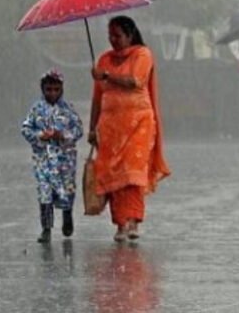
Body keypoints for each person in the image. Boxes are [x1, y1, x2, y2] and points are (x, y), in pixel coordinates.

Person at [89, 16, 171, 242]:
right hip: (110, 128)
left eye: (117, 35)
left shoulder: (142, 54)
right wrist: (92, 128)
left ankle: (133, 220)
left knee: (133, 173)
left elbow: (135, 81)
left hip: (139, 125)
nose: (113, 40)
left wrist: (106, 75)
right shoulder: (104, 60)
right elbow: (97, 98)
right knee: (114, 175)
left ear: (130, 35)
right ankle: (120, 224)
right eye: (110, 36)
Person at [21, 69, 83, 243]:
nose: (52, 93)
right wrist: (40, 136)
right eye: (49, 89)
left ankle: (67, 215)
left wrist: (62, 135)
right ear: (43, 89)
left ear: (61, 89)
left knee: (67, 190)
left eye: (56, 89)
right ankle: (46, 228)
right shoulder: (36, 109)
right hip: (44, 159)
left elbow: (78, 130)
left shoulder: (68, 109)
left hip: (65, 160)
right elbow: (25, 129)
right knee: (45, 192)